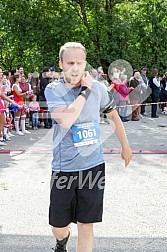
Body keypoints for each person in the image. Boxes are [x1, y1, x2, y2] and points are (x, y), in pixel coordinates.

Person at [45, 42, 132, 252]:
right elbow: (66, 120)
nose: (75, 67)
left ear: (85, 64)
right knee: (58, 227)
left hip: (93, 166)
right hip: (63, 167)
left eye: (79, 62)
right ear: (61, 64)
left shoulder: (99, 88)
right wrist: (85, 90)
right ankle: (61, 242)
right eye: (70, 62)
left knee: (86, 224)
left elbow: (113, 116)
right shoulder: (53, 90)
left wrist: (125, 146)